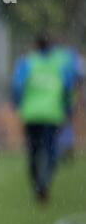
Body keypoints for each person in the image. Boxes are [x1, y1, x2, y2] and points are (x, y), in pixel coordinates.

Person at [12, 34, 84, 201]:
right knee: (51, 151)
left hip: (31, 114)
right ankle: (44, 183)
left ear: (36, 46)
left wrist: (18, 103)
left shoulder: (27, 62)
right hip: (52, 115)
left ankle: (37, 182)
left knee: (33, 152)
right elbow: (67, 88)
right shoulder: (59, 65)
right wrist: (67, 108)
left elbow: (17, 85)